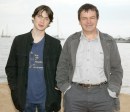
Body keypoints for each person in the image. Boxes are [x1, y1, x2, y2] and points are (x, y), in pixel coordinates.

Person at [56, 3, 123, 112]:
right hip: (74, 96)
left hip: (103, 95)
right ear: (79, 21)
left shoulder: (109, 41)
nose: (89, 22)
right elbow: (62, 67)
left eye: (92, 18)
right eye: (84, 18)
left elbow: (117, 69)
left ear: (97, 19)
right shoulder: (71, 41)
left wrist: (113, 89)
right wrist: (66, 88)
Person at [5, 5, 62, 112]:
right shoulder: (19, 41)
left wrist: (58, 85)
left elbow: (62, 68)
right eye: (40, 16)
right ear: (33, 17)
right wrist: (14, 88)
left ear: (49, 22)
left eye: (46, 18)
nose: (42, 21)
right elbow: (10, 67)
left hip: (47, 99)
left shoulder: (55, 44)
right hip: (24, 98)